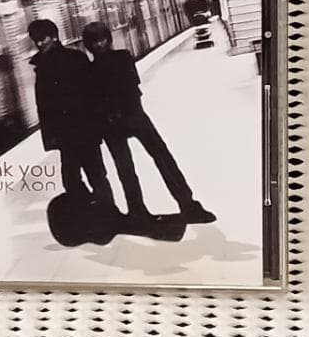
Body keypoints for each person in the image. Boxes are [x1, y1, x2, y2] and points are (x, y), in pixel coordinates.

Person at [81, 21, 216, 224]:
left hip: (125, 118)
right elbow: (125, 88)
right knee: (142, 163)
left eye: (102, 40)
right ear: (89, 45)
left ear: (108, 39)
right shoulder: (114, 61)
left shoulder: (113, 61)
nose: (99, 45)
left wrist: (115, 111)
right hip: (127, 117)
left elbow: (126, 88)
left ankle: (180, 205)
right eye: (94, 42)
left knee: (146, 162)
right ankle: (153, 208)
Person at [28, 18, 117, 212]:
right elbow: (44, 106)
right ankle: (95, 212)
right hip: (67, 134)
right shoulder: (43, 66)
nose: (40, 43)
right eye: (36, 39)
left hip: (83, 130)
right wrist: (51, 136)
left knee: (92, 175)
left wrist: (96, 126)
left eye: (43, 38)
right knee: (76, 178)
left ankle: (108, 213)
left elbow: (92, 94)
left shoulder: (74, 59)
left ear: (55, 36)